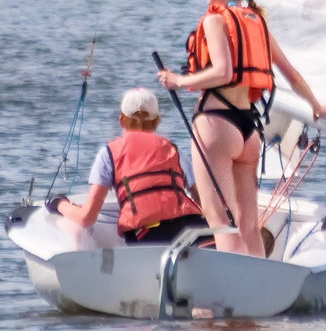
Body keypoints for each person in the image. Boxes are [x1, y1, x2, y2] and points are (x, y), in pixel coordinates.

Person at [156, 0, 326, 257]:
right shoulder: (258, 24)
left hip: (216, 125)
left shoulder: (214, 20)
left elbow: (222, 72)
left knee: (220, 220)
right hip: (249, 131)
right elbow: (290, 74)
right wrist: (315, 105)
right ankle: (258, 288)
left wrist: (178, 81)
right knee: (249, 225)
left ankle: (231, 292)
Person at [45, 88, 206, 243]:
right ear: (157, 120)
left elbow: (87, 218)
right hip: (193, 230)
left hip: (150, 237)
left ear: (121, 119)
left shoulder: (109, 154)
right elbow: (204, 204)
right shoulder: (173, 150)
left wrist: (59, 204)